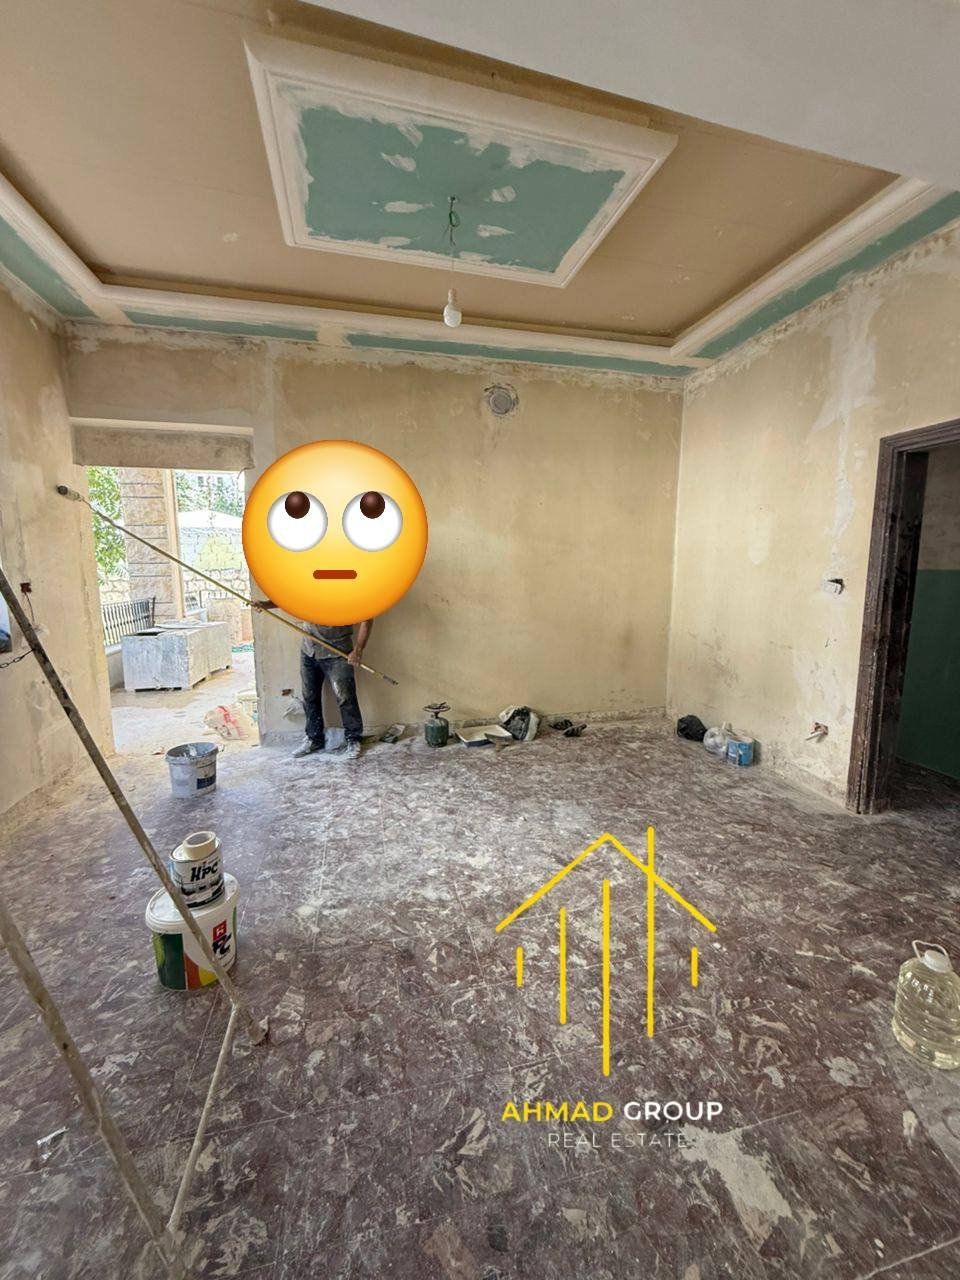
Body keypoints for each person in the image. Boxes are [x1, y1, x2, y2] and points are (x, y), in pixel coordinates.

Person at [293, 618, 373, 761]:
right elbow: (290, 604)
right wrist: (264, 606)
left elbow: (367, 619)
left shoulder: (350, 601)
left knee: (345, 698)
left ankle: (353, 739)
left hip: (338, 650)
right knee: (309, 697)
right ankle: (314, 738)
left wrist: (358, 650)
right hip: (309, 649)